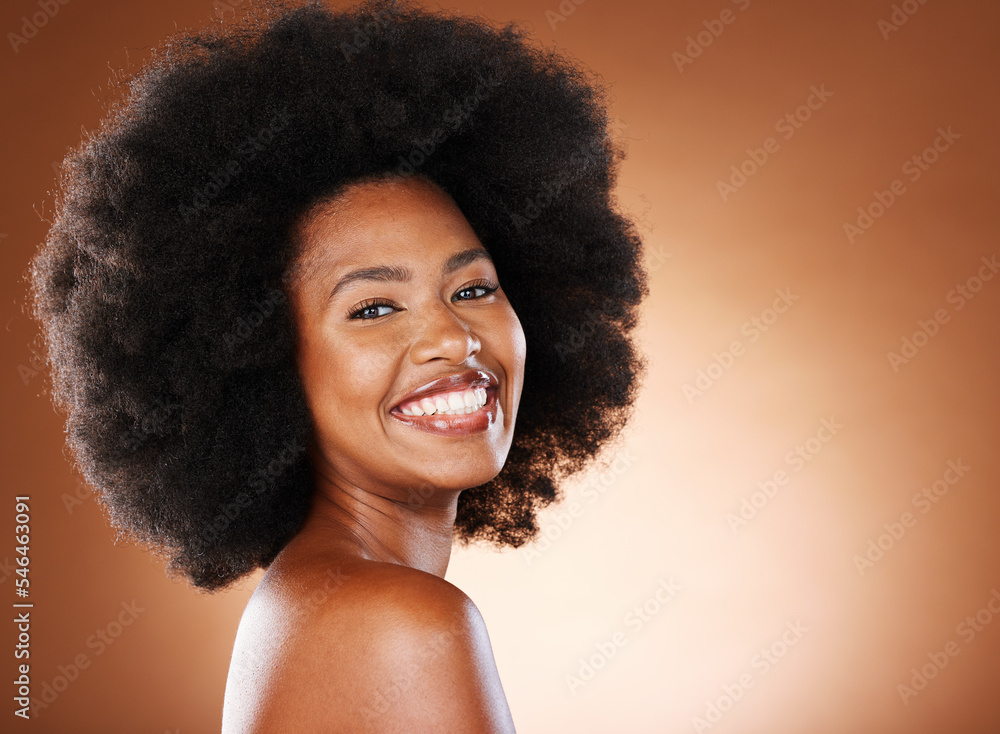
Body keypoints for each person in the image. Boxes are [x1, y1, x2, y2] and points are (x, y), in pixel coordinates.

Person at [29, 0, 648, 730]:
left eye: (474, 288)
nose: (452, 338)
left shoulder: (307, 601)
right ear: (261, 365)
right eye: (374, 308)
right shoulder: (399, 621)